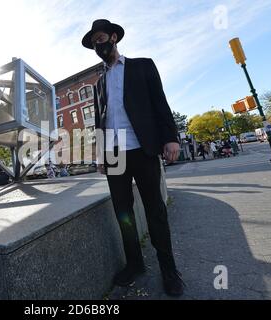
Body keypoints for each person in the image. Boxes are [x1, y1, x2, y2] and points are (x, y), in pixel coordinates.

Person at [83, 19, 184, 296]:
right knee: (123, 212)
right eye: (93, 44)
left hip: (143, 148)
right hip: (115, 155)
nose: (97, 45)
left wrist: (171, 137)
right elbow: (101, 122)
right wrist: (101, 154)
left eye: (100, 39)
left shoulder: (142, 66)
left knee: (155, 211)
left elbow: (160, 102)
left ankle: (168, 269)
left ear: (114, 37)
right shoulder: (99, 83)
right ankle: (135, 264)